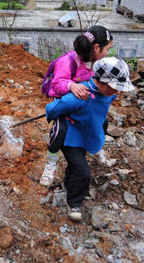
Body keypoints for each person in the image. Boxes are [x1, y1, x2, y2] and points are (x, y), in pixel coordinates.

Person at [45, 57, 135, 221]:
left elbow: (106, 100)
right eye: (116, 87)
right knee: (84, 172)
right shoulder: (80, 96)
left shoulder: (108, 94)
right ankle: (74, 203)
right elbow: (51, 108)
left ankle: (68, 184)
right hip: (72, 139)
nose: (118, 93)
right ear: (101, 82)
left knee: (76, 166)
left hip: (88, 136)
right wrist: (59, 115)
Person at [40, 25, 115, 187]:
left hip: (84, 100)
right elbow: (57, 84)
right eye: (107, 49)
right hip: (64, 100)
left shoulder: (97, 63)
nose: (107, 53)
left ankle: (94, 148)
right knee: (60, 130)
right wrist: (72, 86)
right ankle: (51, 163)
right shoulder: (68, 61)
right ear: (97, 47)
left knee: (101, 122)